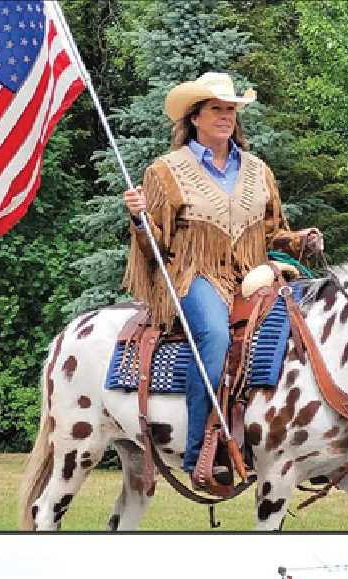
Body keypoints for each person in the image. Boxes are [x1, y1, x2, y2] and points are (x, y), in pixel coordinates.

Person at [120, 72, 322, 483]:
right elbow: (153, 248)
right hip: (192, 274)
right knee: (213, 334)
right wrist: (140, 219)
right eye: (217, 109)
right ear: (195, 117)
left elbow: (270, 232)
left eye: (231, 110)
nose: (226, 117)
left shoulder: (257, 170)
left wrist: (299, 240)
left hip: (253, 274)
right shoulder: (165, 171)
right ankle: (199, 453)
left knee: (302, 325)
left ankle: (288, 434)